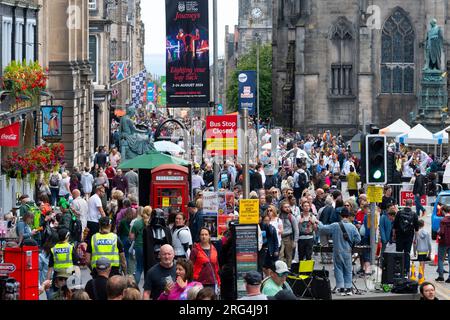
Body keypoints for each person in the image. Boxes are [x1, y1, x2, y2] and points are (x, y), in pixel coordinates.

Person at [318, 207, 361, 296]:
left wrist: (318, 222)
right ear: (348, 216)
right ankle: (349, 289)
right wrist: (351, 243)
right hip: (347, 251)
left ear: (340, 216)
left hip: (337, 251)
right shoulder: (352, 226)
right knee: (348, 270)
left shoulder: (335, 225)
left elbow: (322, 229)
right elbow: (358, 239)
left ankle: (341, 289)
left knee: (338, 269)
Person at [392, 199, 419, 276]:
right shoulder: (414, 214)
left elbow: (395, 226)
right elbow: (416, 228)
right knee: (407, 253)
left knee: (399, 252)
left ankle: (398, 269)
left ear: (405, 204)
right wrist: (415, 239)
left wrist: (394, 235)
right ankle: (406, 271)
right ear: (412, 204)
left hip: (399, 236)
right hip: (409, 237)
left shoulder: (399, 213)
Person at [143, 209, 173, 274]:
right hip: (152, 256)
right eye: (156, 219)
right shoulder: (147, 230)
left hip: (164, 255)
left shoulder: (166, 230)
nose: (158, 222)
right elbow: (147, 246)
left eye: (160, 219)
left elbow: (169, 243)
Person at [278, 201, 299, 268]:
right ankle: (281, 269)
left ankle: (288, 269)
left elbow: (296, 229)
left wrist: (295, 241)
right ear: (282, 208)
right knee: (280, 254)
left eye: (288, 207)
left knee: (289, 255)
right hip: (280, 237)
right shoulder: (279, 216)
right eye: (285, 207)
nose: (287, 208)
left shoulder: (291, 217)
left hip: (288, 237)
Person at [129, 206, 146, 284]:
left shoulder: (137, 223)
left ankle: (135, 288)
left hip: (139, 246)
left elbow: (131, 237)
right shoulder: (150, 222)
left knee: (139, 267)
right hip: (149, 247)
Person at [435, 205, 450, 282]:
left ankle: (441, 276)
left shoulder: (443, 220)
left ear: (443, 211)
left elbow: (442, 232)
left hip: (443, 242)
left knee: (440, 259)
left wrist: (438, 233)